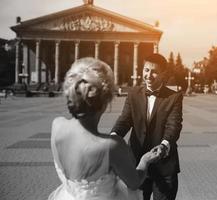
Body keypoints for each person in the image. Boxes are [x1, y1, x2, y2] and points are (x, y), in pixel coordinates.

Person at [48, 57, 160, 200]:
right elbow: (134, 183)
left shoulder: (57, 125)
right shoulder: (111, 146)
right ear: (105, 102)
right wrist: (145, 161)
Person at [111, 53, 183, 200]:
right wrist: (113, 138)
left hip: (164, 166)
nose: (149, 75)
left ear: (164, 74)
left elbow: (173, 125)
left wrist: (163, 146)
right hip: (137, 165)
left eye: (154, 71)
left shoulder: (174, 97)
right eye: (146, 70)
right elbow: (124, 120)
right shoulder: (133, 94)